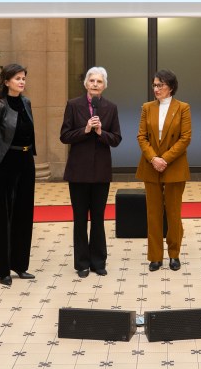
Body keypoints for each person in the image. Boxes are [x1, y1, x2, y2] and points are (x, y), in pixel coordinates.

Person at [60, 66, 122, 278]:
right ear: (86, 83)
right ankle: (82, 263)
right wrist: (85, 130)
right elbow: (64, 136)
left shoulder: (111, 108)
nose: (95, 84)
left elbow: (116, 139)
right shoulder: (73, 105)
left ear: (104, 86)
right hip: (78, 171)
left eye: (99, 81)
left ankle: (98, 261)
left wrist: (101, 132)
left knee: (98, 218)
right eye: (92, 80)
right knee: (80, 219)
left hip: (101, 172)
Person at [0, 63, 36, 287]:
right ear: (6, 82)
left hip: (26, 161)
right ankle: (3, 270)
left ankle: (20, 265)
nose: (22, 82)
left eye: (23, 78)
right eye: (17, 78)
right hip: (4, 164)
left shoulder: (26, 103)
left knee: (24, 214)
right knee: (4, 218)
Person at [136, 69, 191, 272]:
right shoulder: (147, 107)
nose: (156, 89)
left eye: (160, 85)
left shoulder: (183, 108)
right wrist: (153, 158)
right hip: (151, 166)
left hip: (174, 166)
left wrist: (164, 159)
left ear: (171, 87)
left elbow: (185, 138)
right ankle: (155, 257)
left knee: (173, 213)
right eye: (154, 85)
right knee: (153, 214)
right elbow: (141, 137)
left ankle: (174, 254)